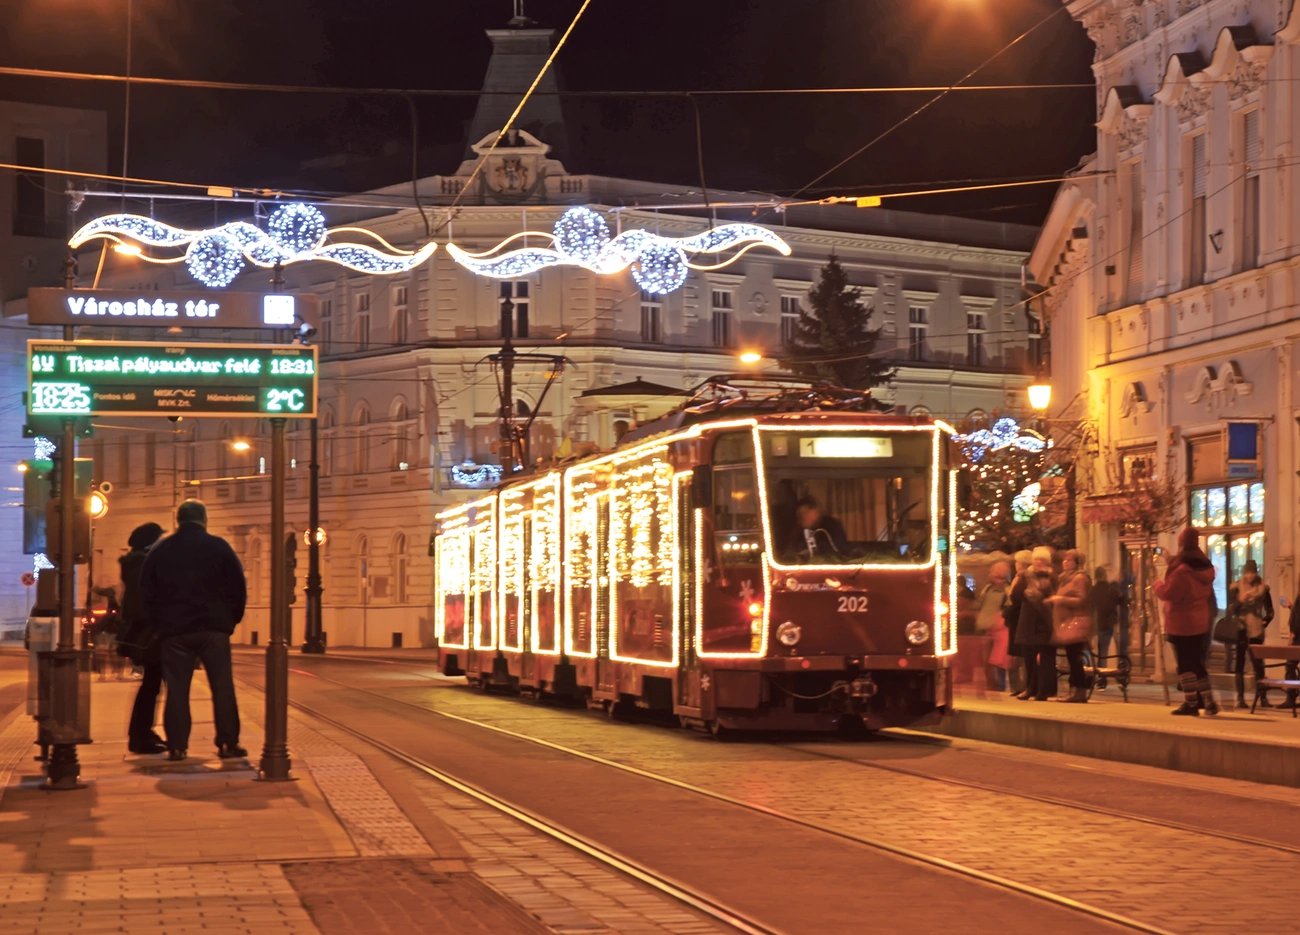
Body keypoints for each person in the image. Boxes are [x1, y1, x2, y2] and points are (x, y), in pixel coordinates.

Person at [140, 500, 248, 761]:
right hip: (213, 629)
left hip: (175, 631)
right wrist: (229, 622)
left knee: (177, 689)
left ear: (178, 521)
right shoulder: (219, 547)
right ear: (204, 520)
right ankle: (227, 742)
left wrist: (160, 624)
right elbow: (237, 588)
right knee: (222, 687)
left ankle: (177, 746)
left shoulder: (161, 549)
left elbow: (146, 592)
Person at [1154, 527, 1220, 716]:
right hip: (1200, 621)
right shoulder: (1203, 565)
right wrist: (1168, 559)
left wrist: (1157, 584)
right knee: (1197, 664)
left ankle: (1191, 703)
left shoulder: (1182, 570)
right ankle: (1208, 701)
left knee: (1184, 665)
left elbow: (1171, 593)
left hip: (1182, 623)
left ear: (1181, 543)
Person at [116, 522, 166, 754]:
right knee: (151, 686)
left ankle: (142, 732)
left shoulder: (135, 564)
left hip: (147, 634)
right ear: (150, 543)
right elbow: (142, 604)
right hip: (151, 634)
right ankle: (139, 736)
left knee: (152, 685)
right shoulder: (142, 566)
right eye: (159, 538)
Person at [1046, 549, 1093, 704]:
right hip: (1066, 622)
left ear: (1077, 563)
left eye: (1069, 560)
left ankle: (1079, 691)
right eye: (1064, 560)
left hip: (1076, 622)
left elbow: (1082, 600)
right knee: (1072, 656)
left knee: (1074, 657)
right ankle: (1075, 690)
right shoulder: (1065, 578)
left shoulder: (1080, 578)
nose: (1065, 562)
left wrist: (1060, 599)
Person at [1011, 546, 1057, 701]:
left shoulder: (1052, 577)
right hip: (1028, 621)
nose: (1038, 563)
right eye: (1036, 559)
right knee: (1029, 656)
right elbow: (1015, 596)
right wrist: (1018, 579)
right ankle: (1031, 687)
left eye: (1041, 560)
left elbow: (1053, 595)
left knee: (1045, 658)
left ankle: (1044, 690)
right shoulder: (1026, 576)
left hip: (1045, 620)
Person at [1229, 560, 1273, 708]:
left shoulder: (1263, 589)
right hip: (1241, 628)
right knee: (1240, 663)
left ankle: (1263, 697)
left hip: (1256, 630)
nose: (1250, 576)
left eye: (1252, 573)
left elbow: (1270, 611)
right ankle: (1240, 698)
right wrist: (1240, 601)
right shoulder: (1236, 587)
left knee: (1258, 665)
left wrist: (1265, 621)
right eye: (1248, 573)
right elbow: (1231, 610)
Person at [975, 561, 1011, 691]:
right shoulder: (987, 588)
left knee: (999, 660)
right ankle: (991, 685)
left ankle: (1000, 686)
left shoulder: (1008, 591)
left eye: (993, 571)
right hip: (986, 629)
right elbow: (981, 605)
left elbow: (1008, 610)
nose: (990, 573)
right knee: (986, 661)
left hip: (1000, 631)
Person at [1091, 566, 1127, 691]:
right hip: (1113, 624)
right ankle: (1122, 678)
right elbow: (1123, 601)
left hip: (1099, 625)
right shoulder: (1111, 588)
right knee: (1121, 651)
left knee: (1102, 654)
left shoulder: (1093, 590)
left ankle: (1101, 680)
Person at [1003, 550, 1032, 695]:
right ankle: (1018, 686)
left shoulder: (1025, 579)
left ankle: (1022, 686)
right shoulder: (1018, 578)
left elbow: (1017, 599)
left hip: (1019, 618)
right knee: (1016, 654)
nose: (1015, 564)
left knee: (1020, 654)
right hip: (1015, 619)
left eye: (1017, 562)